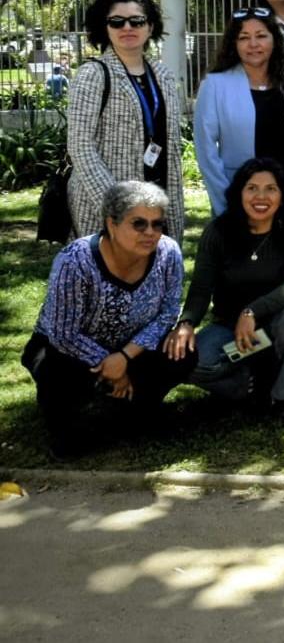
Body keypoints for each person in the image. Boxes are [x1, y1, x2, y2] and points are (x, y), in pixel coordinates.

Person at [22, 181, 193, 459]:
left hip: (131, 347)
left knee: (183, 352)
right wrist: (112, 364)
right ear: (111, 224)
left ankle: (135, 410)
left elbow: (168, 312)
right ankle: (67, 421)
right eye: (138, 224)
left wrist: (124, 358)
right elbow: (63, 334)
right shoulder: (75, 260)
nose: (150, 233)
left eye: (157, 224)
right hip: (68, 349)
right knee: (57, 375)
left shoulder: (169, 252)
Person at [171, 159, 284, 411]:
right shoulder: (218, 232)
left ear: (283, 195)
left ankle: (282, 395)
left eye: (271, 188)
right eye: (252, 188)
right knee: (191, 362)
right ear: (239, 193)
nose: (261, 196)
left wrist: (251, 312)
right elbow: (201, 289)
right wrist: (186, 323)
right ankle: (246, 386)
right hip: (230, 331)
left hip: (274, 329)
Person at [67, 0, 186, 240]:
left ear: (150, 26)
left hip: (160, 196)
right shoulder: (93, 75)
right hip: (109, 206)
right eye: (117, 22)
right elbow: (80, 147)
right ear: (105, 28)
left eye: (137, 20)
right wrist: (121, 207)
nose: (127, 28)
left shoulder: (162, 75)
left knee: (156, 273)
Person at [193, 8, 284, 215]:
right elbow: (206, 151)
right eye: (244, 38)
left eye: (261, 36)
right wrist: (225, 201)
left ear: (274, 40)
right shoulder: (215, 85)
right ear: (234, 43)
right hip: (239, 197)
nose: (253, 44)